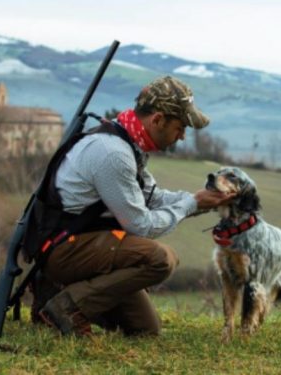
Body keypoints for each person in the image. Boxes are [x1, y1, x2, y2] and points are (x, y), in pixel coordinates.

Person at [33, 75, 234, 337]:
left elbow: (152, 197)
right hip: (66, 250)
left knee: (144, 329)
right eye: (180, 126)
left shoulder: (127, 142)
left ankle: (55, 296)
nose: (182, 136)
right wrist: (191, 203)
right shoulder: (113, 153)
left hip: (85, 245)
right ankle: (67, 305)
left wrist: (201, 201)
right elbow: (141, 226)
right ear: (158, 119)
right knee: (161, 259)